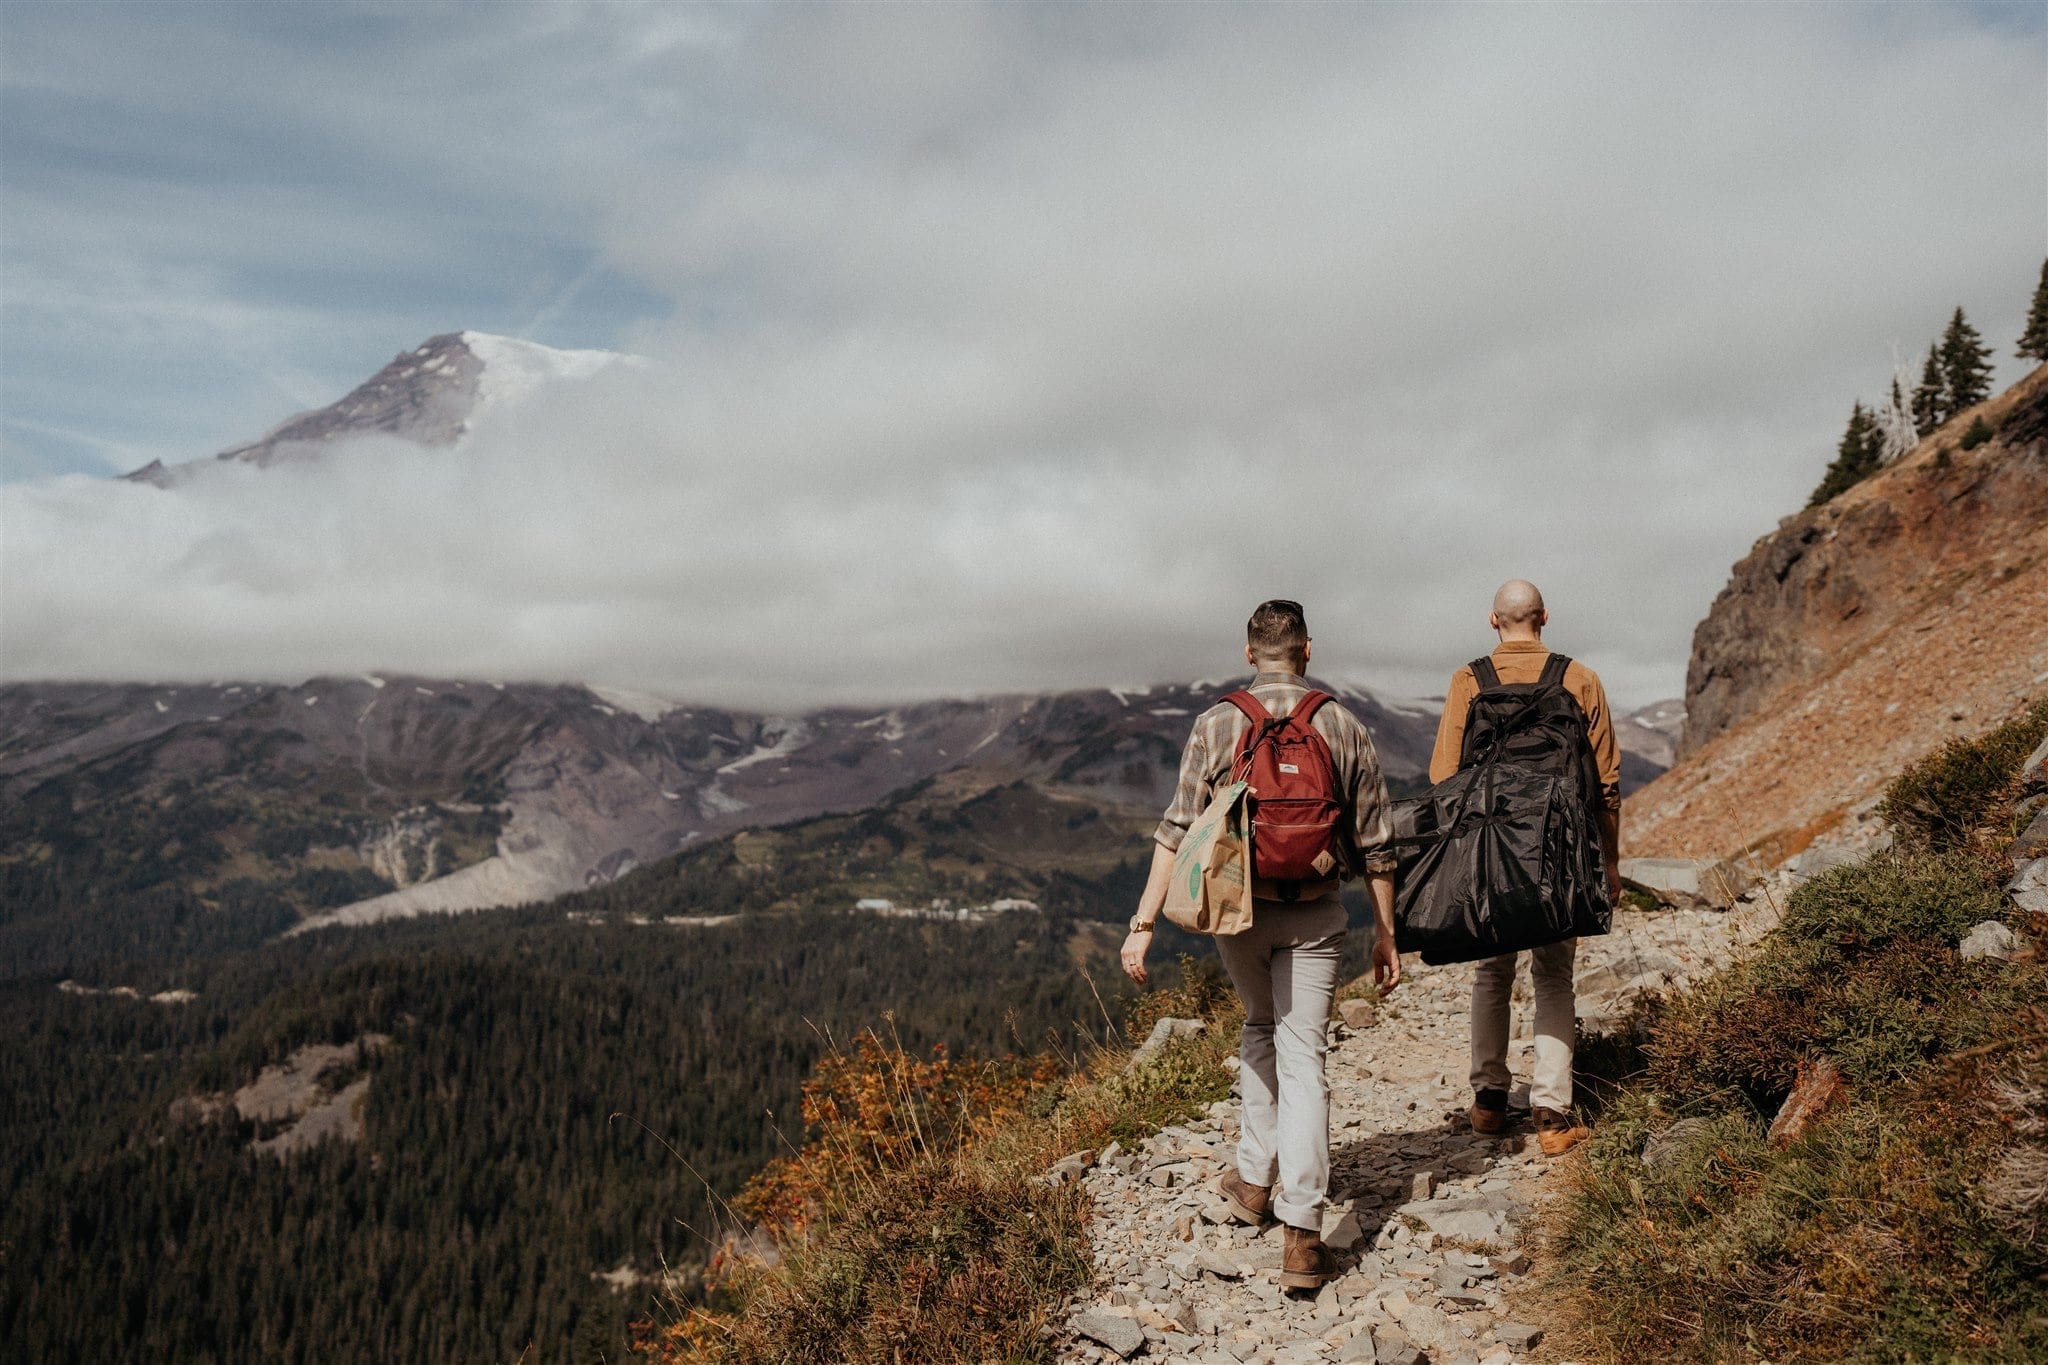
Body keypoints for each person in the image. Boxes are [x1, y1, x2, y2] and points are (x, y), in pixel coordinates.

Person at [1121, 599, 1401, 1291]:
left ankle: (1252, 1180)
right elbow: (1377, 844)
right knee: (1305, 1054)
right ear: (1309, 650)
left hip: (1237, 914)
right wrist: (1388, 935)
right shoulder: (1342, 723)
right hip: (1316, 913)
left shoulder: (1218, 721)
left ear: (1250, 653)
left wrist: (1144, 922)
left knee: (1257, 1026)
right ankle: (1302, 1233)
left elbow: (1176, 829)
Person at [1428, 579, 1621, 1157]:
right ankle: (1552, 1115)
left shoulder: (1468, 680)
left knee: (1493, 971)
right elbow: (1606, 785)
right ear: (1545, 618)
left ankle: (1489, 1102)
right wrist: (1609, 863)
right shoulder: (1580, 677)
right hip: (1560, 851)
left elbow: (1444, 777)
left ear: (1493, 621)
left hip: (1492, 851)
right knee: (1554, 975)